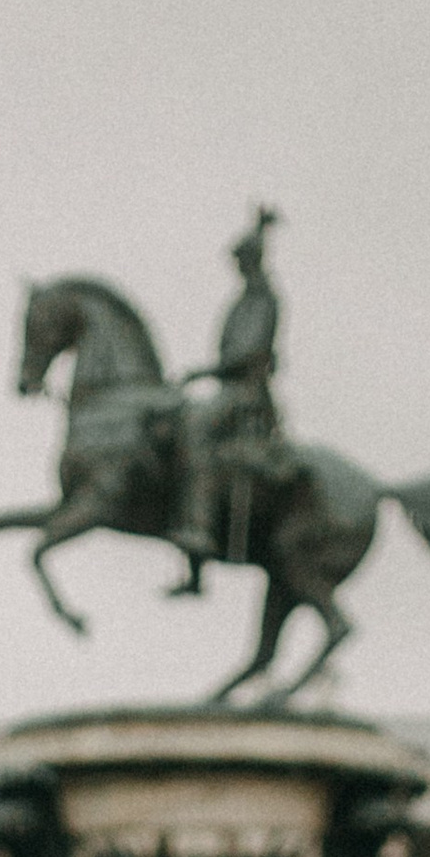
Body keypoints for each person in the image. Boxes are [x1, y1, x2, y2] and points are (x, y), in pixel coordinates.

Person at [168, 204, 286, 593]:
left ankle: (199, 529)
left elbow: (247, 354)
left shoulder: (262, 299)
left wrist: (205, 372)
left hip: (245, 394)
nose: (237, 266)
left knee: (195, 429)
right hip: (228, 389)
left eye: (240, 259)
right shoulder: (244, 299)